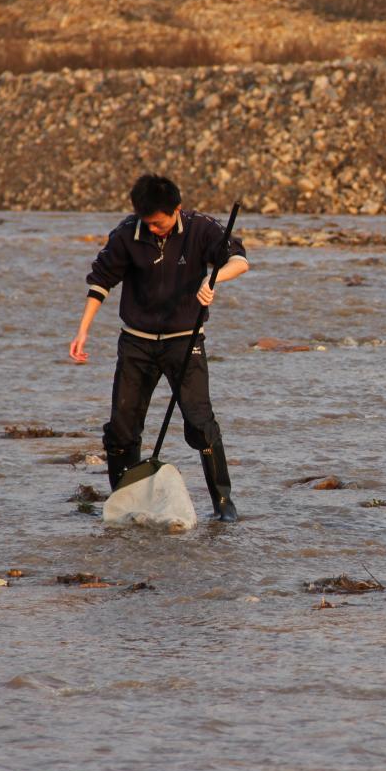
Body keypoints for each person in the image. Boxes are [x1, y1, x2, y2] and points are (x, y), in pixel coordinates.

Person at [68, 174, 249, 522]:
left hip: (184, 342)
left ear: (176, 210)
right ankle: (125, 503)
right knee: (121, 430)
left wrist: (212, 279)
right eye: (147, 222)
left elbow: (239, 260)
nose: (153, 229)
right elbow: (100, 281)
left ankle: (223, 505)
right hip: (136, 343)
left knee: (200, 423)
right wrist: (82, 331)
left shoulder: (200, 228)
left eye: (159, 223)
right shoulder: (126, 234)